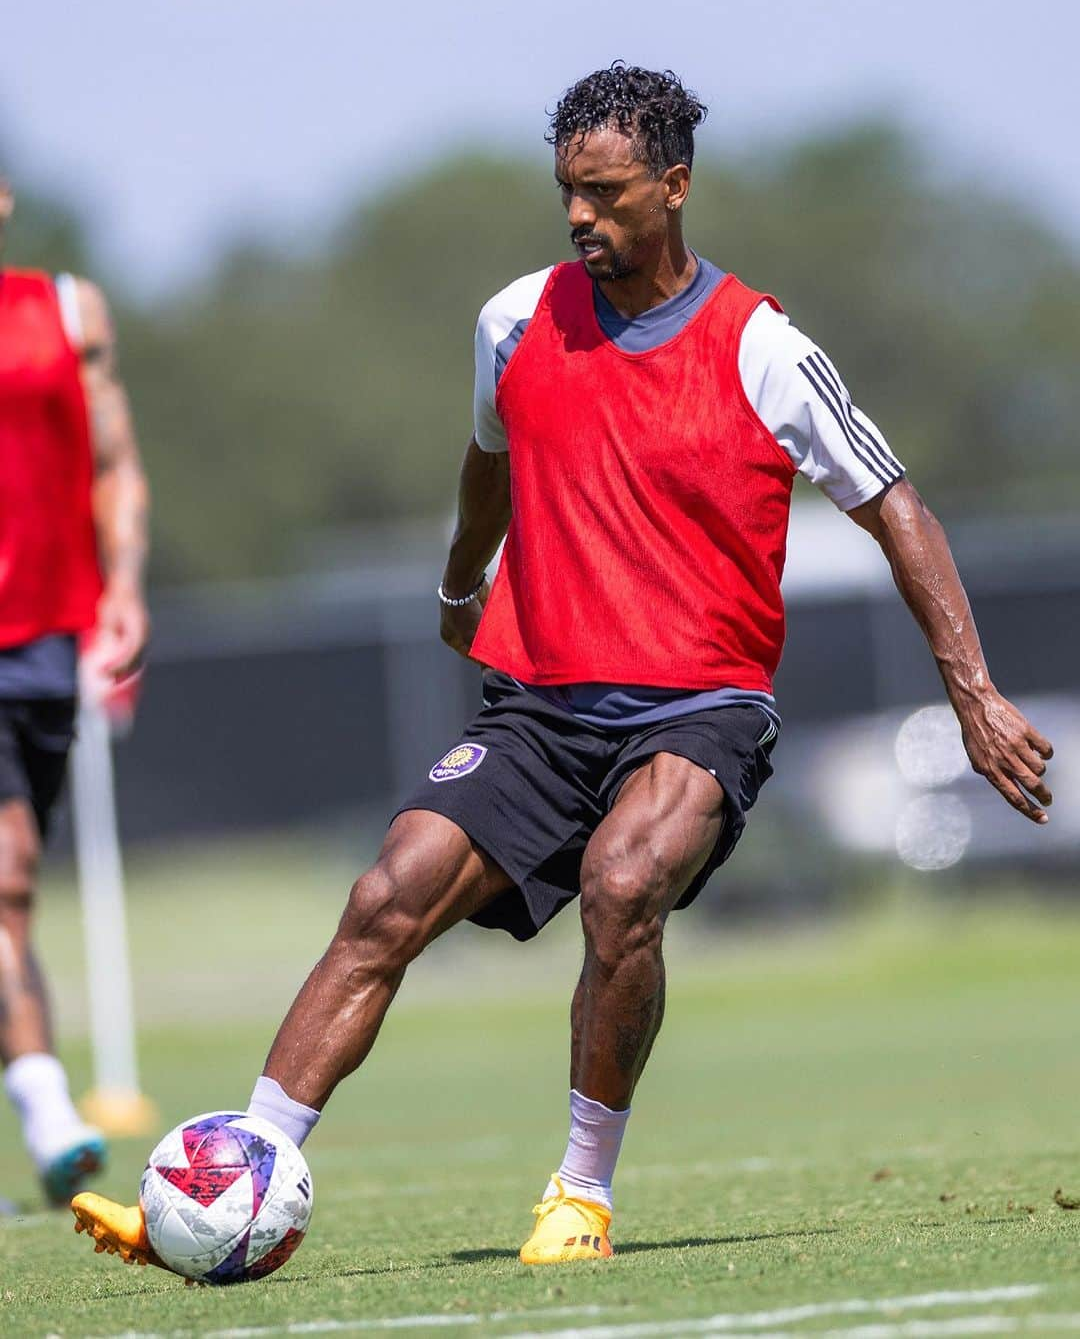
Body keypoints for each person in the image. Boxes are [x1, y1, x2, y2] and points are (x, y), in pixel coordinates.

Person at [72, 64, 1052, 1267]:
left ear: (675, 186)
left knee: (623, 878)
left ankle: (580, 1191)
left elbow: (895, 506)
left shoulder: (765, 349)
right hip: (540, 702)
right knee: (388, 892)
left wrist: (974, 691)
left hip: (702, 706)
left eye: (605, 192)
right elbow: (489, 455)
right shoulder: (515, 318)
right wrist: (457, 582)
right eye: (566, 194)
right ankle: (243, 1169)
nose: (580, 216)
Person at [0, 175, 150, 1205]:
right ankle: (48, 1103)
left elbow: (115, 461)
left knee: (16, 892)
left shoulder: (63, 308)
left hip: (46, 641)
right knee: (1, 870)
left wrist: (125, 586)